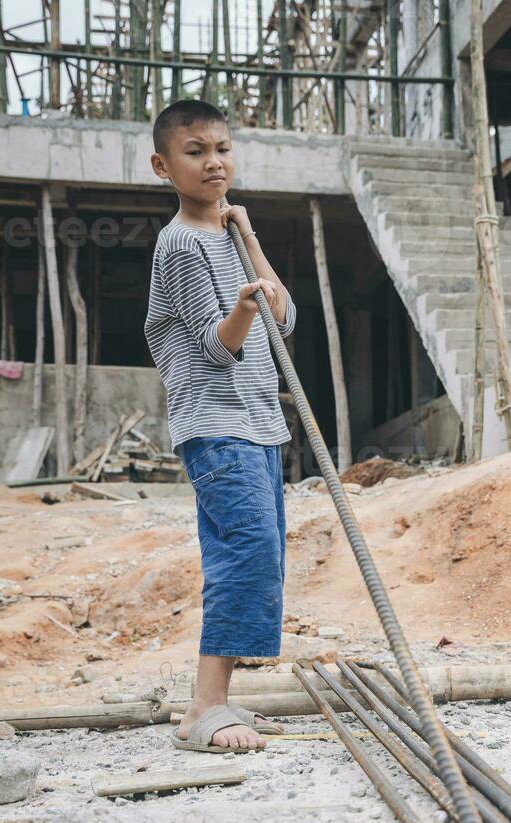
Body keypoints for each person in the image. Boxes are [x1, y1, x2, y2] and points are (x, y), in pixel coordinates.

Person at [144, 98, 295, 753]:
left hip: (259, 424)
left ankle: (213, 703)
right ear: (163, 165)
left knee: (261, 557)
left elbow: (282, 320)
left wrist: (250, 238)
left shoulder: (229, 235)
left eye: (222, 149)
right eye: (195, 151)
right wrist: (241, 309)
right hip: (217, 425)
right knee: (244, 557)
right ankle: (207, 708)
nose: (214, 162)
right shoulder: (180, 243)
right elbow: (215, 345)